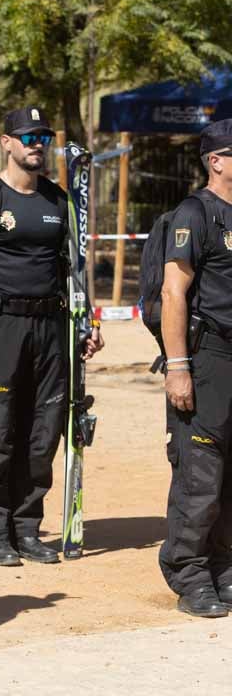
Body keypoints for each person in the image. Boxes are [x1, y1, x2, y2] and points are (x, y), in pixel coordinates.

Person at [0, 107, 103, 567]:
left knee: (42, 433)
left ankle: (27, 527)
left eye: (43, 136)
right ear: (7, 142)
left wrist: (86, 322)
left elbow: (75, 267)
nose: (37, 143)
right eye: (28, 136)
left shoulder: (59, 201)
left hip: (50, 329)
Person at [158, 118, 232, 618]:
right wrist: (178, 364)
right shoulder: (195, 213)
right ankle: (189, 573)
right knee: (201, 472)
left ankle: (224, 568)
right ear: (218, 160)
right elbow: (172, 293)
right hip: (209, 356)